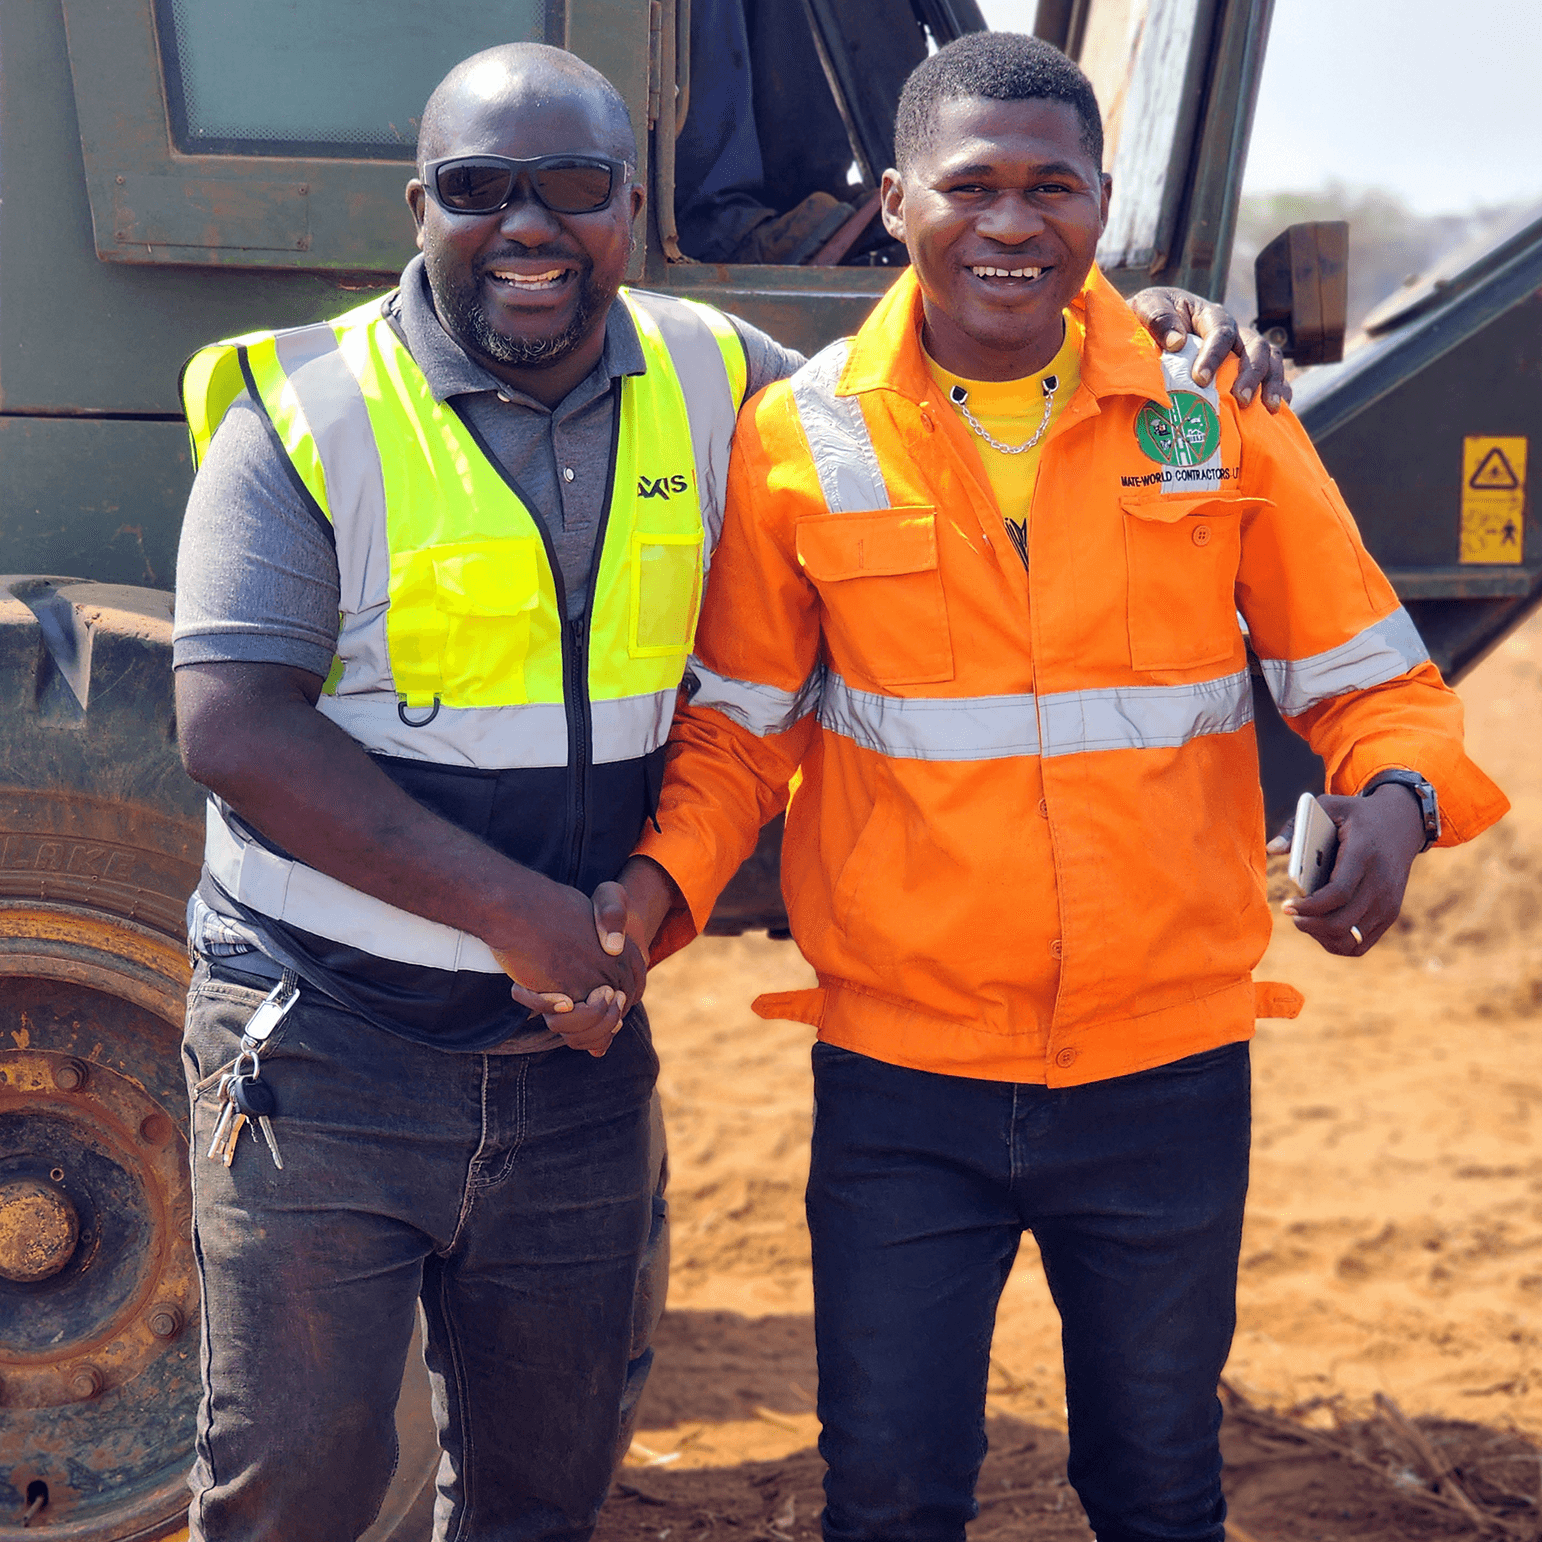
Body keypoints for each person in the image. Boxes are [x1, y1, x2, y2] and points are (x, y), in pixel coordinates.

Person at [171, 37, 1283, 1542]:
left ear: (634, 205)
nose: (528, 227)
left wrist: (1137, 324)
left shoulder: (722, 379)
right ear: (416, 205)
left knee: (541, 1495)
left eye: (574, 186)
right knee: (297, 1484)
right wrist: (524, 917)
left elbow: (948, 348)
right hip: (327, 1041)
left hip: (570, 1061)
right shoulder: (306, 411)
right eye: (479, 189)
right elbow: (233, 728)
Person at [613, 31, 1509, 1542]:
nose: (1012, 223)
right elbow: (737, 740)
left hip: (1163, 1074)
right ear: (896, 202)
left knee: (1157, 1487)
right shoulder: (802, 438)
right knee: (889, 1494)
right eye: (972, 186)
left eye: (1053, 187)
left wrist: (1400, 802)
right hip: (905, 1085)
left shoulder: (1210, 408)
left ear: (1102, 203)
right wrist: (650, 899)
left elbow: (1372, 684)